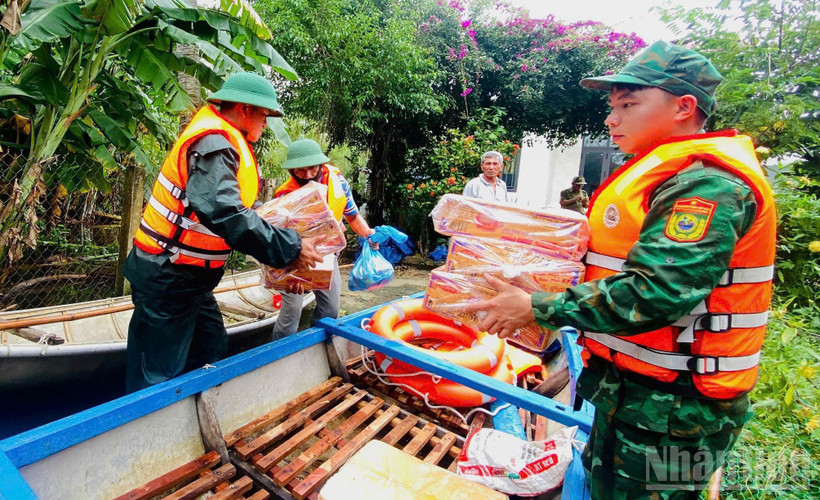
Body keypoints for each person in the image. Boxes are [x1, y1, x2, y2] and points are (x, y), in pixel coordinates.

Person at [465, 41, 776, 497]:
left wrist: (539, 307)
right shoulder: (667, 175)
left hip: (678, 411)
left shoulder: (707, 184)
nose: (612, 119)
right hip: (631, 394)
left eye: (628, 105)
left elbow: (658, 291)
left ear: (683, 107)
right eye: (613, 107)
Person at [122, 72, 323, 393]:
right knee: (155, 378)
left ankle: (190, 414)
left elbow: (237, 206)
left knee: (211, 349)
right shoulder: (213, 143)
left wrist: (278, 225)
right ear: (245, 109)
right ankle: (145, 432)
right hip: (168, 277)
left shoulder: (224, 140)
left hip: (190, 281)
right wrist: (290, 247)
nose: (266, 122)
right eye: (264, 114)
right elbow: (223, 211)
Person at [271, 139, 376, 339]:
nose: (308, 175)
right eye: (300, 171)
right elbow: (278, 239)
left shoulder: (338, 181)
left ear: (321, 164)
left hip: (327, 255)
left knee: (331, 309)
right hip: (294, 257)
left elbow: (352, 216)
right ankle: (278, 355)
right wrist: (292, 272)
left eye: (312, 168)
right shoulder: (284, 195)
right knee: (291, 314)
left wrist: (369, 235)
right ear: (291, 171)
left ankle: (318, 347)